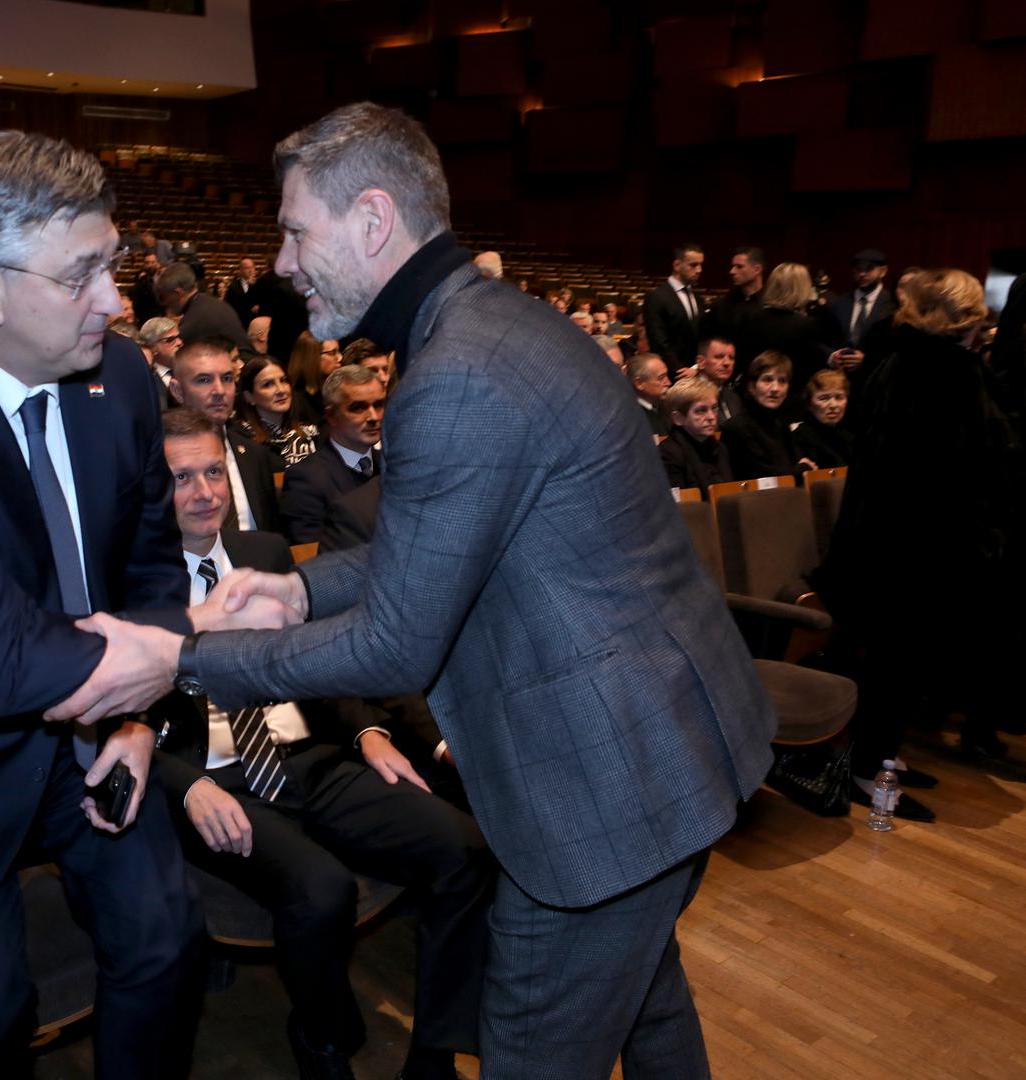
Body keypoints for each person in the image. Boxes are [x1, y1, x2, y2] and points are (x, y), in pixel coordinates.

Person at [48, 102, 775, 1080]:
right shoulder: (494, 325)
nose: (287, 262)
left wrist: (180, 656)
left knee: (530, 1047)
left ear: (374, 221)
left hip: (605, 791)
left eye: (298, 230)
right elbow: (440, 549)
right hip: (665, 748)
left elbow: (396, 641)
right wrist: (297, 594)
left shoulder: (456, 372)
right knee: (649, 1013)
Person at [0, 129, 289, 1078]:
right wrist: (193, 642)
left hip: (100, 727)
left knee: (163, 943)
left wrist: (141, 718)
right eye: (81, 277)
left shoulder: (114, 380)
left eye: (110, 266)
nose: (114, 301)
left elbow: (149, 565)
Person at [155, 407, 491, 1079]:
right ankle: (325, 1040)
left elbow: (322, 660)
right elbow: (112, 728)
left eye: (214, 471)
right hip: (215, 782)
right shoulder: (132, 589)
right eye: (182, 477)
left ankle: (432, 1053)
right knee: (322, 888)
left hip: (307, 758)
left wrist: (367, 729)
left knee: (465, 852)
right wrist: (185, 784)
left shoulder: (265, 555)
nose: (205, 492)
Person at [815, 270, 1022, 811]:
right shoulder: (947, 373)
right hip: (918, 549)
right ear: (961, 318)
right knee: (898, 665)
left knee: (897, 665)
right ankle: (867, 772)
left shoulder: (904, 362)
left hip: (891, 541)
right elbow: (960, 469)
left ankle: (881, 757)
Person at [166, 339, 284, 533]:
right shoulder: (157, 460)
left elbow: (272, 534)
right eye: (204, 380)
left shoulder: (255, 456)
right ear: (177, 391)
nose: (220, 391)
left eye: (227, 378)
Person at [280, 364, 385, 545]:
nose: (373, 417)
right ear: (331, 416)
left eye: (378, 405)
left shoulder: (393, 465)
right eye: (358, 408)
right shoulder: (306, 479)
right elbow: (310, 554)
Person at [721, 351, 811, 480]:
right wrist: (801, 469)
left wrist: (799, 468)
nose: (775, 388)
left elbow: (798, 464)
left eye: (782, 381)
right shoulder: (736, 428)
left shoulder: (781, 423)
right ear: (752, 387)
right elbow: (766, 478)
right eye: (767, 379)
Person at [752, 262, 830, 403]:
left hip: (755, 395)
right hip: (791, 398)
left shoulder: (751, 318)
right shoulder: (806, 325)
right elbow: (813, 369)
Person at [235, 354, 320, 467]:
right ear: (249, 397)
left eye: (283, 380)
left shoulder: (310, 434)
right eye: (268, 384)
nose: (281, 390)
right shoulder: (242, 441)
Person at [658, 376, 733, 496]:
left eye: (714, 408)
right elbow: (683, 506)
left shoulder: (721, 448)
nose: (711, 417)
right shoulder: (668, 453)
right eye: (700, 411)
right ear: (678, 418)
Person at [157, 260, 249, 353]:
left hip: (241, 364)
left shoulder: (196, 317)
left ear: (178, 293)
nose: (164, 303)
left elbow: (173, 353)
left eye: (164, 297)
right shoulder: (207, 303)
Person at [644, 242, 706, 376]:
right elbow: (659, 342)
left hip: (696, 373)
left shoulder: (698, 299)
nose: (699, 270)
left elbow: (701, 337)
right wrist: (679, 370)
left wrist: (695, 368)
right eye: (693, 265)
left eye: (701, 265)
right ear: (677, 265)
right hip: (671, 374)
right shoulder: (656, 297)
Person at [790, 368, 852, 469]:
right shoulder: (799, 437)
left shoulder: (851, 436)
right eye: (824, 398)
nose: (833, 405)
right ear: (809, 403)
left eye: (839, 397)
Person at [285, 330, 338, 423]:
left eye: (338, 351)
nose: (340, 357)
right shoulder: (296, 402)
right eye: (333, 353)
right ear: (313, 357)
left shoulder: (334, 391)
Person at [626, 351, 672, 436]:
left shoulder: (669, 405)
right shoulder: (630, 419)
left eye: (666, 375)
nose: (668, 382)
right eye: (661, 378)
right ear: (639, 383)